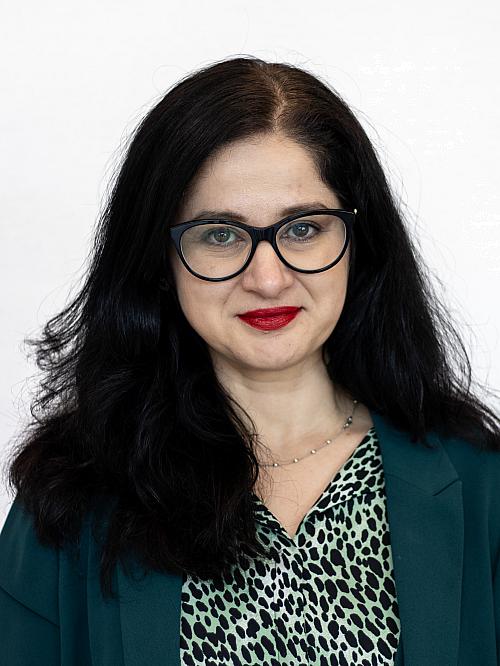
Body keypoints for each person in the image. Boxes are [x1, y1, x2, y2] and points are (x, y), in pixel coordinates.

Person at [0, 55, 499, 666]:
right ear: (160, 260)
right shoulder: (70, 497)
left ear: (358, 243)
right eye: (220, 234)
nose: (267, 278)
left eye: (303, 229)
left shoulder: (483, 485)